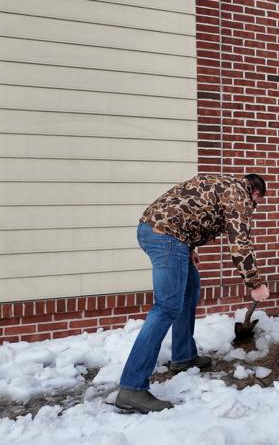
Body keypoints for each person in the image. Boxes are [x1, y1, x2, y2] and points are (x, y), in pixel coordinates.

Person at [115, 173, 270, 413]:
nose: (253, 207)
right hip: (167, 236)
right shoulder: (240, 194)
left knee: (190, 288)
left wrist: (189, 247)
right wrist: (255, 283)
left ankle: (183, 355)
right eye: (256, 203)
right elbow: (239, 243)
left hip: (159, 231)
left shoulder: (220, 181)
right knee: (166, 307)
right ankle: (132, 388)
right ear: (256, 193)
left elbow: (189, 207)